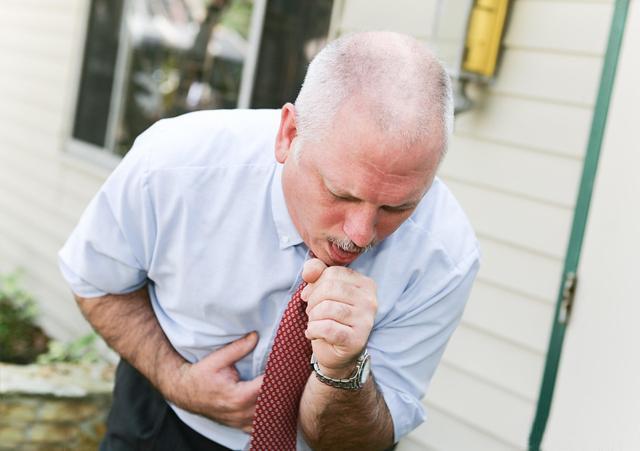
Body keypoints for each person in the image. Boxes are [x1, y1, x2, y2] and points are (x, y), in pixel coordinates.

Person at [58, 31, 480, 451]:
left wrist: (343, 368)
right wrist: (177, 380)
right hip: (162, 419)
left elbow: (361, 440)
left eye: (396, 208)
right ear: (288, 134)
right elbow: (97, 282)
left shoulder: (445, 253)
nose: (360, 233)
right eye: (341, 194)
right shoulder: (174, 166)